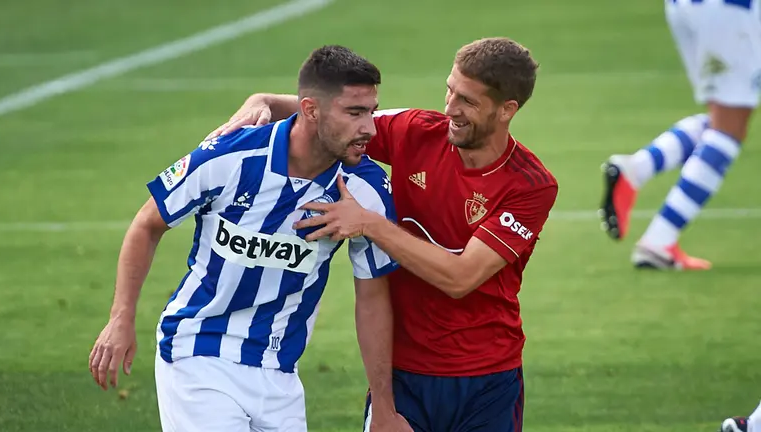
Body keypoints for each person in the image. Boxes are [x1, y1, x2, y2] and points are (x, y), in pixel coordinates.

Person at [208, 37, 558, 432]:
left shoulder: (530, 185)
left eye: (468, 102)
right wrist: (266, 102)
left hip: (487, 380)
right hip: (402, 374)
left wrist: (370, 223)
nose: (450, 109)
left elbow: (460, 278)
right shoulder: (418, 131)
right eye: (450, 90)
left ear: (507, 109)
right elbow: (336, 115)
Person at [88, 45, 412, 432]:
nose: (370, 129)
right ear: (310, 110)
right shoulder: (231, 155)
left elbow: (373, 296)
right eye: (355, 113)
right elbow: (147, 223)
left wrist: (384, 408)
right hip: (199, 354)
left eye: (372, 112)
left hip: (280, 373)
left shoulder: (367, 191)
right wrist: (121, 318)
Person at [599, 0, 759, 270]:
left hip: (687, 6)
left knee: (725, 119)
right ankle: (659, 240)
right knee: (727, 130)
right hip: (731, 10)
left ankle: (638, 168)